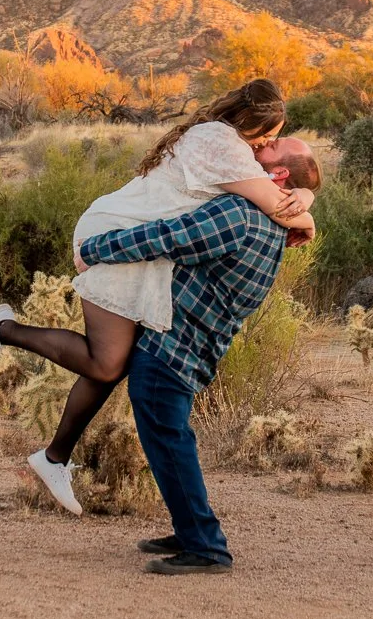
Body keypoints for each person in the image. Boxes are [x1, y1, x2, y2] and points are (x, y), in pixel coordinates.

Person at [0, 79, 319, 513]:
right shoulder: (224, 144)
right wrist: (306, 208)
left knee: (116, 362)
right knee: (106, 362)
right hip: (120, 235)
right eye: (270, 135)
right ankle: (2, 329)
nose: (266, 143)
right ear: (252, 124)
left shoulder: (233, 148)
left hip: (140, 247)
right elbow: (282, 206)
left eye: (274, 142)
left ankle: (53, 458)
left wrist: (303, 194)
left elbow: (282, 195)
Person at [72, 180, 303, 573]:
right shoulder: (273, 225)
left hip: (172, 346)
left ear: (280, 176)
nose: (254, 153)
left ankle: (206, 547)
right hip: (192, 345)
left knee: (168, 439)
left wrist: (94, 250)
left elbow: (169, 237)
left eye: (268, 149)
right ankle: (191, 528)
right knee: (172, 437)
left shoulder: (239, 213)